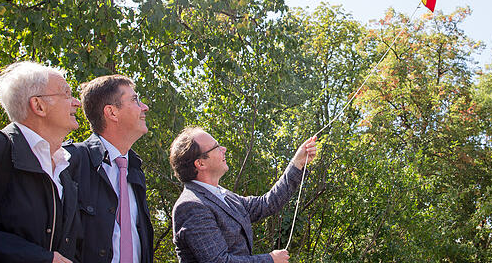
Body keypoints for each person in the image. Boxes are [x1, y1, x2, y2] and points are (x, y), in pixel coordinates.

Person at [0, 61, 82, 263]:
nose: (76, 102)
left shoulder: (63, 171)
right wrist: (40, 258)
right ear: (38, 105)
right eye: (67, 94)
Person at [169, 127, 317, 263]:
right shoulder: (191, 206)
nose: (224, 149)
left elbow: (267, 204)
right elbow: (219, 261)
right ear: (200, 164)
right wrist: (270, 259)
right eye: (216, 147)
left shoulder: (223, 195)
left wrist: (297, 163)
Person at [65, 75, 154, 263]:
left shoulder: (135, 170)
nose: (144, 107)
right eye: (135, 100)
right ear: (112, 112)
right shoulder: (71, 161)